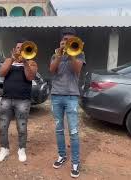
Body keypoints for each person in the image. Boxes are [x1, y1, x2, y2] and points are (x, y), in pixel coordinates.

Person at [49, 28, 86, 178]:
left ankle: (75, 162)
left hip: (71, 96)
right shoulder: (55, 54)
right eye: (65, 40)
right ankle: (62, 155)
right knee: (58, 129)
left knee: (73, 131)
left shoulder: (80, 53)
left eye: (70, 41)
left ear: (74, 42)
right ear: (61, 41)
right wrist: (59, 54)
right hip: (56, 95)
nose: (67, 43)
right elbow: (52, 70)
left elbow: (77, 70)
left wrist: (70, 54)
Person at [0, 39, 38, 162]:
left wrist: (24, 62)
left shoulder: (32, 62)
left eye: (23, 48)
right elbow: (1, 73)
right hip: (6, 98)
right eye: (18, 48)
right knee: (2, 126)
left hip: (23, 100)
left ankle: (21, 149)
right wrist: (12, 60)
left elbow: (30, 77)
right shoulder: (9, 60)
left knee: (22, 127)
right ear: (15, 49)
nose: (20, 50)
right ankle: (4, 149)